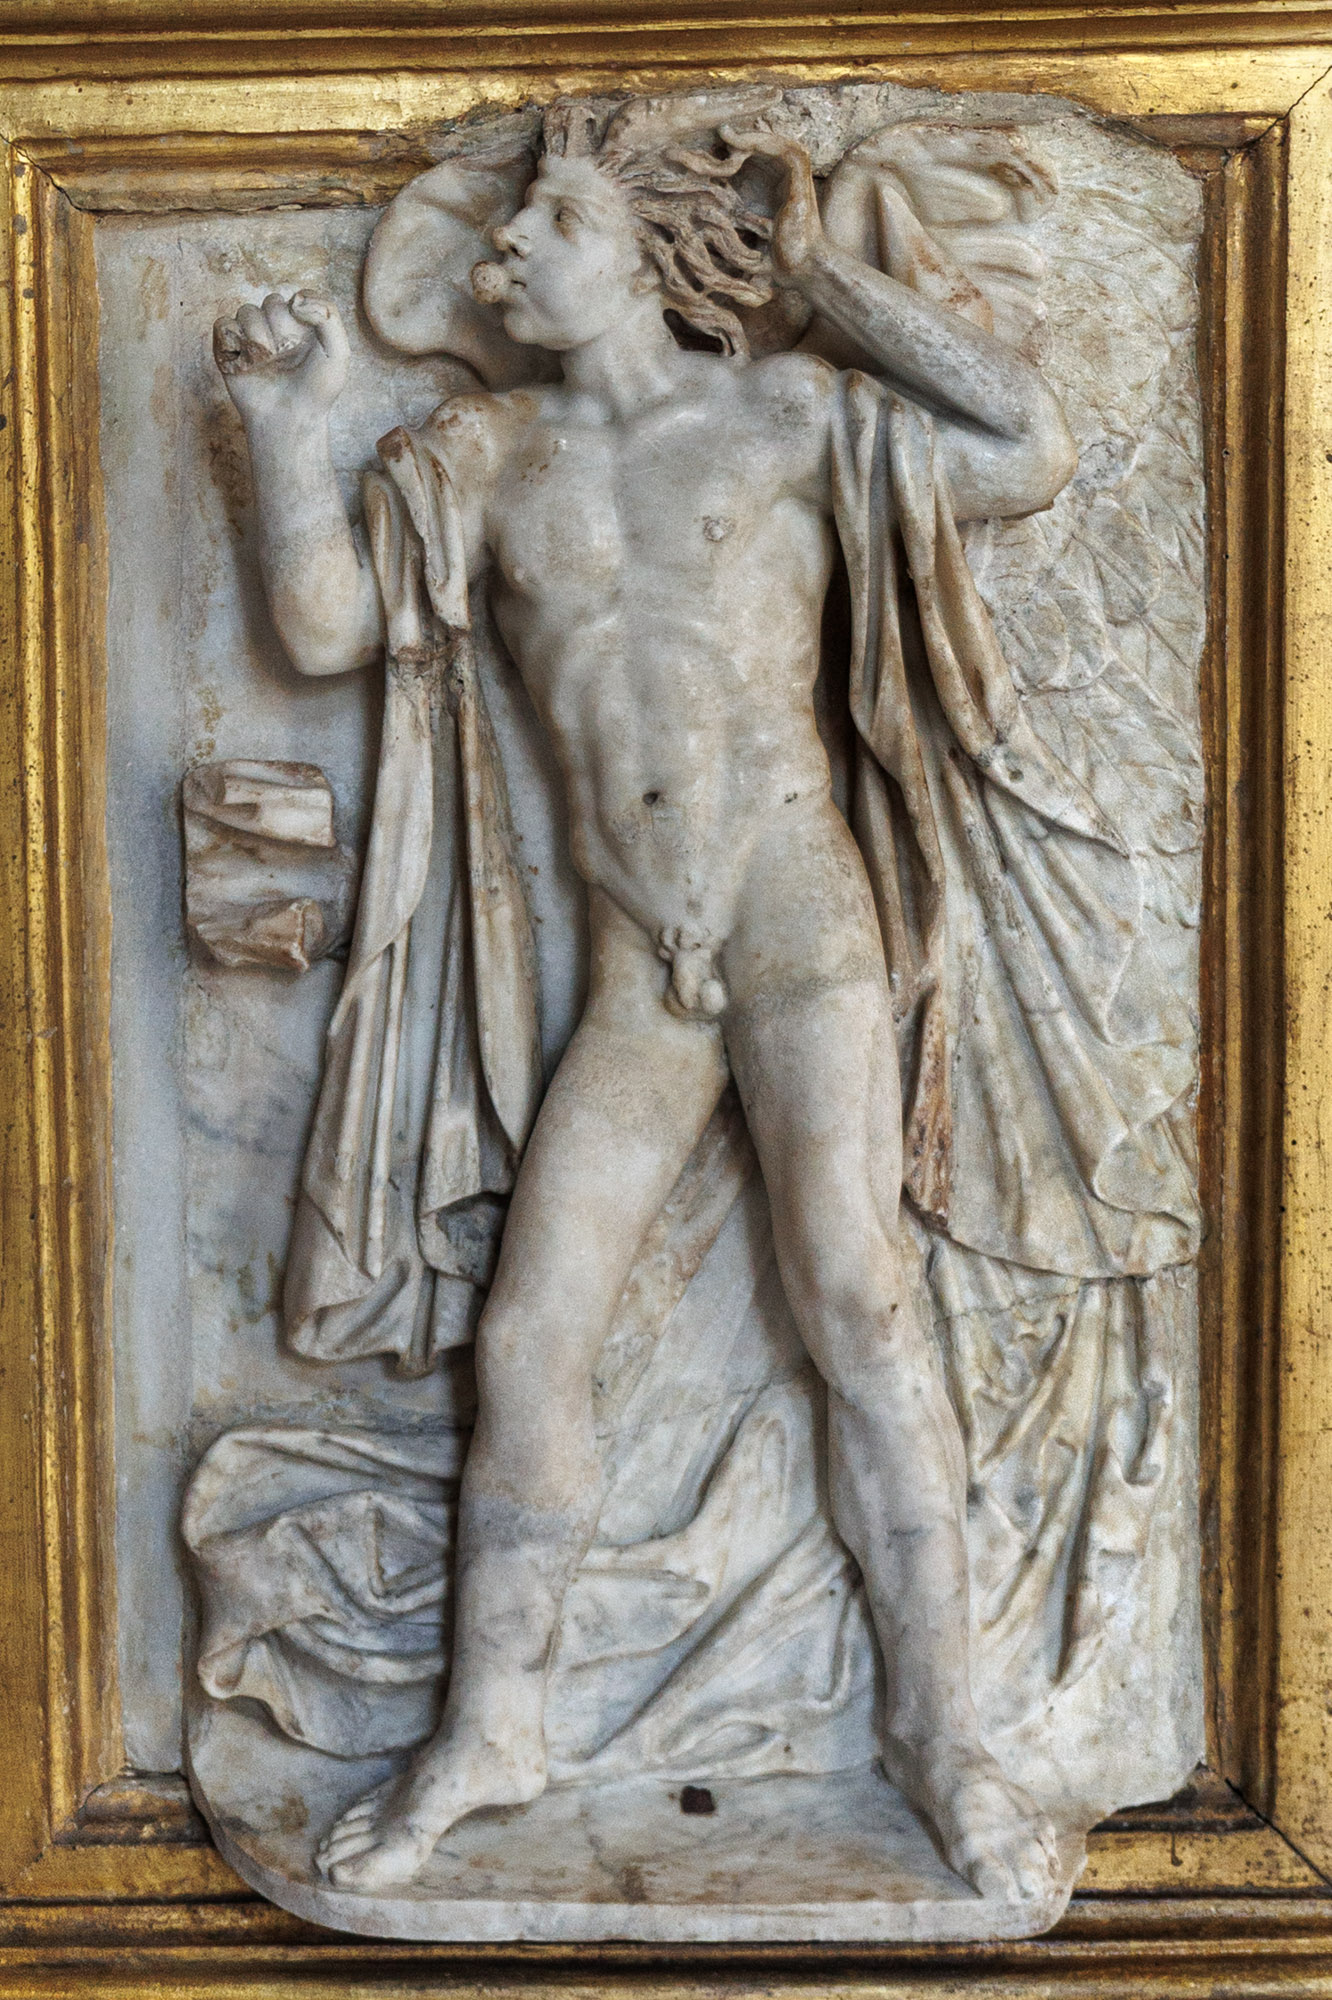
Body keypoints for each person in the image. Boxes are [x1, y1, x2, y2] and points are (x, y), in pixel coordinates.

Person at [213, 111, 1076, 1900]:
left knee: (858, 1297)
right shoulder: (485, 455)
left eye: (546, 219)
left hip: (798, 929)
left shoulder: (787, 418)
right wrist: (286, 428)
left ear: (652, 249)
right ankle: (494, 1729)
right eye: (498, 238)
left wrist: (820, 276)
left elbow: (1028, 443)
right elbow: (324, 625)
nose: (501, 259)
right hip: (638, 973)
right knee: (530, 1337)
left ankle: (947, 1737)